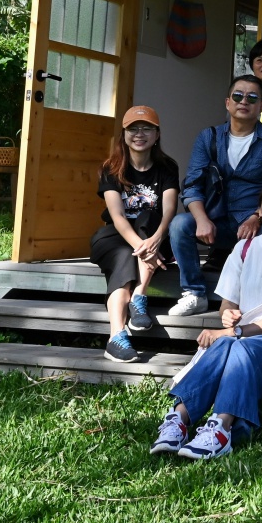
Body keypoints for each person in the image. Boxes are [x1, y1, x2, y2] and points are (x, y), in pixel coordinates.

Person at [149, 180, 262, 460]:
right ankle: (179, 421)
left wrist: (232, 332)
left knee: (233, 345)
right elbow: (228, 302)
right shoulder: (243, 249)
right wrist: (227, 314)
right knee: (232, 345)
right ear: (260, 211)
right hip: (243, 336)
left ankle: (220, 429)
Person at [169, 75, 262, 317]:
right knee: (180, 224)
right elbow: (192, 184)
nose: (244, 101)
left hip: (254, 224)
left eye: (253, 97)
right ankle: (194, 292)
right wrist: (202, 219)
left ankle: (256, 298)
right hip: (215, 221)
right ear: (227, 102)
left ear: (261, 107)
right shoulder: (208, 137)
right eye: (238, 96)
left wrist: (257, 217)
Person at [91, 105, 180, 363]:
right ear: (124, 134)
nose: (139, 134)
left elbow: (169, 211)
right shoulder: (111, 168)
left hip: (155, 235)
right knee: (122, 254)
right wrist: (144, 248)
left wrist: (156, 240)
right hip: (116, 237)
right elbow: (117, 216)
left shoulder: (167, 167)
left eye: (146, 129)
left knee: (147, 218)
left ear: (157, 134)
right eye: (133, 129)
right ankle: (123, 324)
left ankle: (119, 329)